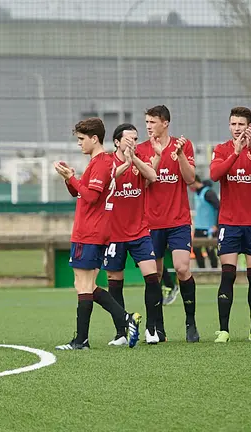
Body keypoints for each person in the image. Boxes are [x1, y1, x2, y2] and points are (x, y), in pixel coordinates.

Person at [53, 118, 134, 350]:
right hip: (91, 230)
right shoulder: (100, 162)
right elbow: (79, 194)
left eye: (81, 139)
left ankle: (83, 340)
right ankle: (122, 320)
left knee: (84, 284)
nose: (79, 143)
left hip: (89, 231)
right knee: (84, 284)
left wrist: (71, 178)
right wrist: (70, 178)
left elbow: (91, 197)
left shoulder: (100, 163)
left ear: (94, 138)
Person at [135, 105, 200, 343]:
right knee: (156, 275)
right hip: (150, 222)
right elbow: (142, 184)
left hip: (178, 221)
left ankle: (190, 323)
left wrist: (180, 154)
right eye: (147, 122)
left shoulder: (183, 145)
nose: (148, 126)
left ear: (165, 123)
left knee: (182, 268)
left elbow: (190, 179)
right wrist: (155, 157)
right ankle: (157, 329)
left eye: (152, 122)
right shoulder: (141, 149)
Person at [208, 107, 251, 343]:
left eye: (241, 124)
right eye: (233, 124)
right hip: (230, 224)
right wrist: (234, 153)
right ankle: (224, 329)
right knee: (228, 275)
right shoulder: (222, 149)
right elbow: (215, 174)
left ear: (249, 126)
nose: (237, 128)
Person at [102, 123, 158, 346]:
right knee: (115, 282)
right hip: (114, 234)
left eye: (135, 138)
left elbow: (152, 176)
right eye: (128, 139)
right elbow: (108, 179)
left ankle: (151, 330)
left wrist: (133, 159)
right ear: (116, 141)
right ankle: (121, 333)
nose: (133, 142)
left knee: (152, 277)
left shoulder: (139, 158)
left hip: (140, 232)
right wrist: (126, 162)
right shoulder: (107, 161)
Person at [189, 176, 219, 269]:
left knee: (209, 249)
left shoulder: (208, 193)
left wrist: (216, 225)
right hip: (198, 227)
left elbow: (219, 208)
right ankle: (201, 269)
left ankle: (214, 270)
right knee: (196, 249)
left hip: (208, 227)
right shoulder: (196, 193)